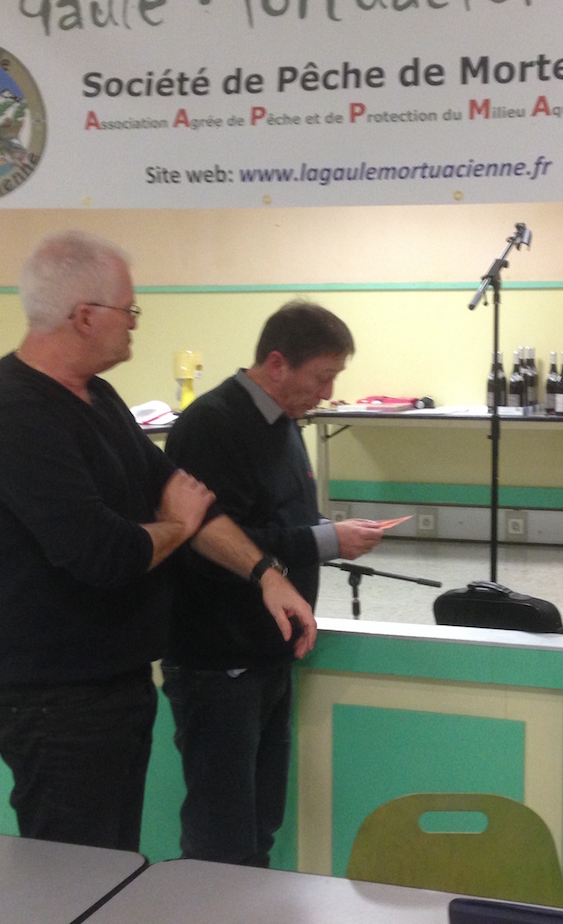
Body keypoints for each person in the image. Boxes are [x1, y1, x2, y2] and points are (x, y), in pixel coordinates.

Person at [0, 231, 316, 851]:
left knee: (113, 866)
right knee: (75, 877)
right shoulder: (13, 414)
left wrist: (266, 574)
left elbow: (184, 493)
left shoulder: (95, 395)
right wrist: (174, 527)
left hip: (114, 682)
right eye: (129, 310)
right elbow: (105, 554)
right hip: (53, 701)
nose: (134, 324)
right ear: (84, 317)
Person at [162, 300, 384, 866]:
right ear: (278, 364)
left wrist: (328, 534)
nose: (327, 393)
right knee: (223, 838)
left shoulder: (283, 422)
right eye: (322, 377)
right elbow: (217, 539)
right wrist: (327, 541)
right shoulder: (213, 425)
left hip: (267, 654)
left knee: (261, 826)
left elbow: (281, 520)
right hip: (219, 662)